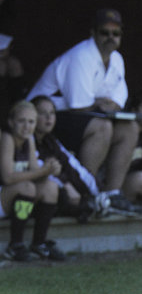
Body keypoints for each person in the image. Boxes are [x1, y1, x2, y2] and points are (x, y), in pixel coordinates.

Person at [27, 9, 138, 196]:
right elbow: (79, 105)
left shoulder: (117, 59)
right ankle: (87, 191)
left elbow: (118, 102)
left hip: (78, 115)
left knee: (130, 127)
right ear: (93, 33)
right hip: (43, 118)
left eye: (116, 33)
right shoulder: (82, 55)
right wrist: (100, 103)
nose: (111, 37)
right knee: (103, 126)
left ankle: (112, 195)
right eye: (105, 32)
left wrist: (99, 103)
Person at [0, 100, 65, 261]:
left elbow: (35, 172)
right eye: (21, 121)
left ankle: (39, 243)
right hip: (3, 195)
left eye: (31, 122)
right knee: (27, 187)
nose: (26, 126)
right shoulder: (7, 138)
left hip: (13, 197)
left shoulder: (29, 140)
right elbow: (7, 177)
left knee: (50, 187)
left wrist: (51, 170)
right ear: (11, 122)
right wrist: (41, 172)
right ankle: (15, 245)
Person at [32, 95, 105, 223]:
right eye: (42, 113)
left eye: (52, 113)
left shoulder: (51, 141)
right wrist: (65, 185)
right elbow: (39, 170)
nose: (49, 118)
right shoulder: (27, 141)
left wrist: (96, 191)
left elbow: (72, 166)